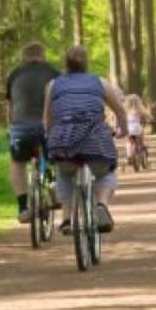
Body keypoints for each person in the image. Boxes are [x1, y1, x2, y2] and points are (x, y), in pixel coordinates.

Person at [42, 45, 129, 232]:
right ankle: (102, 205)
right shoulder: (100, 82)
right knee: (107, 170)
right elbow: (120, 110)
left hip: (63, 142)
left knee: (63, 172)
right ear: (86, 64)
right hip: (95, 141)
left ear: (65, 64)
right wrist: (123, 130)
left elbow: (47, 118)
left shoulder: (53, 85)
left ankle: (66, 219)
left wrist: (50, 137)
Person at [4, 40, 61, 223]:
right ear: (42, 55)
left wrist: (10, 127)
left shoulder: (14, 74)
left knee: (17, 163)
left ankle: (22, 207)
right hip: (47, 128)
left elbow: (10, 105)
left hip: (21, 128)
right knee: (60, 154)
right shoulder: (54, 73)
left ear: (24, 56)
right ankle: (54, 183)